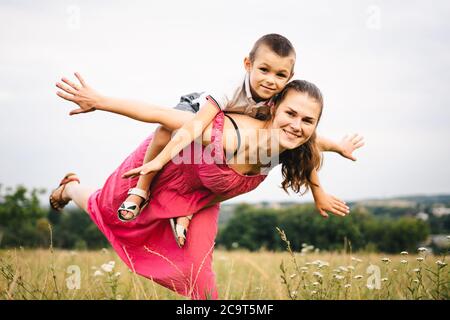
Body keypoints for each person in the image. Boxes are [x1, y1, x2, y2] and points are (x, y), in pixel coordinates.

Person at [50, 79, 360, 299]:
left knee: (198, 275)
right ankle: (71, 189)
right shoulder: (227, 135)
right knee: (107, 208)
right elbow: (160, 116)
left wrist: (324, 178)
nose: (297, 125)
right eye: (291, 114)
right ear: (274, 108)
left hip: (201, 199)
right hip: (166, 170)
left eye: (308, 120)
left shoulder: (293, 141)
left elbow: (316, 144)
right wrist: (100, 102)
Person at [55, 34, 363, 247]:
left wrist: (336, 151)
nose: (270, 80)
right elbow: (163, 115)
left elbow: (308, 141)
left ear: (289, 77)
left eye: (280, 75)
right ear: (248, 65)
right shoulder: (229, 91)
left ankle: (184, 208)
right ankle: (136, 189)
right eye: (264, 70)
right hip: (200, 109)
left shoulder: (279, 107)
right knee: (165, 129)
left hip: (215, 150)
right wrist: (101, 101)